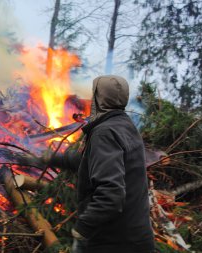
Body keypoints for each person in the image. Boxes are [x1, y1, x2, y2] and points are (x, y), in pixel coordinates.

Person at [50, 75, 155, 253]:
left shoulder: (104, 133)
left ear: (99, 98)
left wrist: (82, 228)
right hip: (136, 239)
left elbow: (111, 194)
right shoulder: (124, 126)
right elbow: (93, 163)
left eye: (94, 94)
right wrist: (51, 159)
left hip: (113, 242)